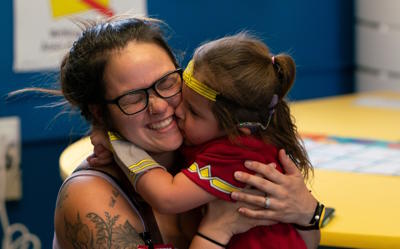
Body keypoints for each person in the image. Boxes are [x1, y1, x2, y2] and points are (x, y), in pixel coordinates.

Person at [16, 16, 320, 248]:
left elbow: (301, 242)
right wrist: (217, 230)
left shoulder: (205, 152)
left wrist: (307, 213)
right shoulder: (90, 196)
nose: (160, 106)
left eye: (167, 83)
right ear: (100, 112)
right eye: (133, 97)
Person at [95, 32, 320, 249]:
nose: (179, 112)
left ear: (238, 129)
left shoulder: (238, 153)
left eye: (194, 112)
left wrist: (117, 140)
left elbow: (167, 197)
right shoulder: (235, 135)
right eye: (182, 95)